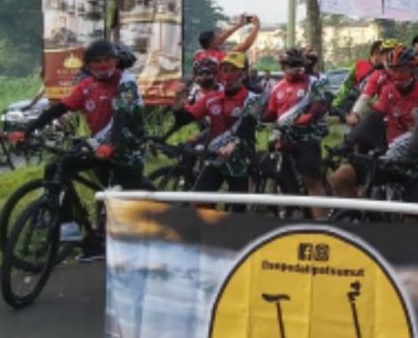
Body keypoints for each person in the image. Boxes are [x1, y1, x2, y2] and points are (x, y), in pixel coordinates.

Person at [23, 39, 148, 252]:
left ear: (115, 61)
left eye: (107, 60)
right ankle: (68, 225)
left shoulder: (126, 82)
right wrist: (27, 130)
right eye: (96, 62)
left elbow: (121, 116)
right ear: (88, 66)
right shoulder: (86, 86)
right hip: (100, 148)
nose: (102, 66)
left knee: (126, 192)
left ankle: (159, 214)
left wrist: (111, 145)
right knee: (56, 168)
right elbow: (60, 108)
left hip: (127, 149)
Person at [330, 45, 418, 199]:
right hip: (390, 157)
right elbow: (373, 119)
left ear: (413, 70)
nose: (397, 75)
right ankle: (355, 217)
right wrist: (347, 143)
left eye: (402, 70)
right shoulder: (388, 91)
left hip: (417, 162)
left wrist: (410, 154)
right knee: (340, 177)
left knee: (413, 216)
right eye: (393, 70)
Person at [171, 52, 262, 200]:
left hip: (240, 160)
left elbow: (246, 127)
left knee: (238, 210)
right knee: (199, 201)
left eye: (233, 70)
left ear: (243, 74)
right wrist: (177, 98)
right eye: (225, 70)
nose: (228, 75)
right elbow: (183, 119)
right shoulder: (212, 98)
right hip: (215, 158)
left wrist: (232, 145)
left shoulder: (253, 100)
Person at [260, 47, 332, 203]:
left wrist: (310, 115)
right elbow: (271, 112)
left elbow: (319, 104)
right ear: (283, 67)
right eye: (291, 65)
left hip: (307, 137)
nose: (296, 69)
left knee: (311, 181)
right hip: (283, 137)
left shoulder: (314, 82)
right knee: (275, 169)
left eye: (299, 64)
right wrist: (258, 117)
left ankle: (320, 219)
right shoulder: (277, 87)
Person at [194, 13, 260, 64]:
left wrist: (238, 25)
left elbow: (220, 40)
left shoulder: (198, 54)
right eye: (216, 37)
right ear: (212, 43)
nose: (220, 37)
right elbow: (244, 46)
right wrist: (256, 26)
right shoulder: (220, 56)